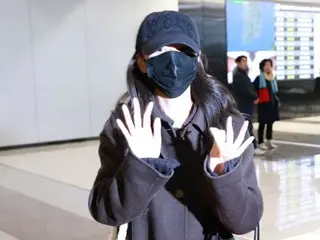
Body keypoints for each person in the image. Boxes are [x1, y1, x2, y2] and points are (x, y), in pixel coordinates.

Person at [88, 11, 263, 240]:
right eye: (160, 51)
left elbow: (246, 221)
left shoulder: (228, 127)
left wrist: (224, 175)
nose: (173, 61)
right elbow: (105, 211)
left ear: (197, 59)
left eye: (182, 50)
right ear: (141, 61)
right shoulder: (124, 126)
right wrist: (139, 165)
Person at [231, 56, 265, 156]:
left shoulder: (241, 74)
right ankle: (253, 148)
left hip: (245, 104)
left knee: (246, 125)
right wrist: (255, 97)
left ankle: (250, 148)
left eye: (246, 61)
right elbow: (246, 90)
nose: (246, 63)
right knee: (247, 126)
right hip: (243, 105)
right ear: (238, 63)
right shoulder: (238, 75)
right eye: (243, 61)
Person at [254, 59, 280, 150]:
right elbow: (255, 91)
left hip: (272, 104)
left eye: (269, 64)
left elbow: (275, 92)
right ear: (262, 67)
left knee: (270, 123)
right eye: (266, 65)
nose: (268, 67)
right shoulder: (259, 78)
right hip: (263, 105)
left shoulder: (272, 78)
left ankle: (269, 140)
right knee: (262, 123)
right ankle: (260, 142)